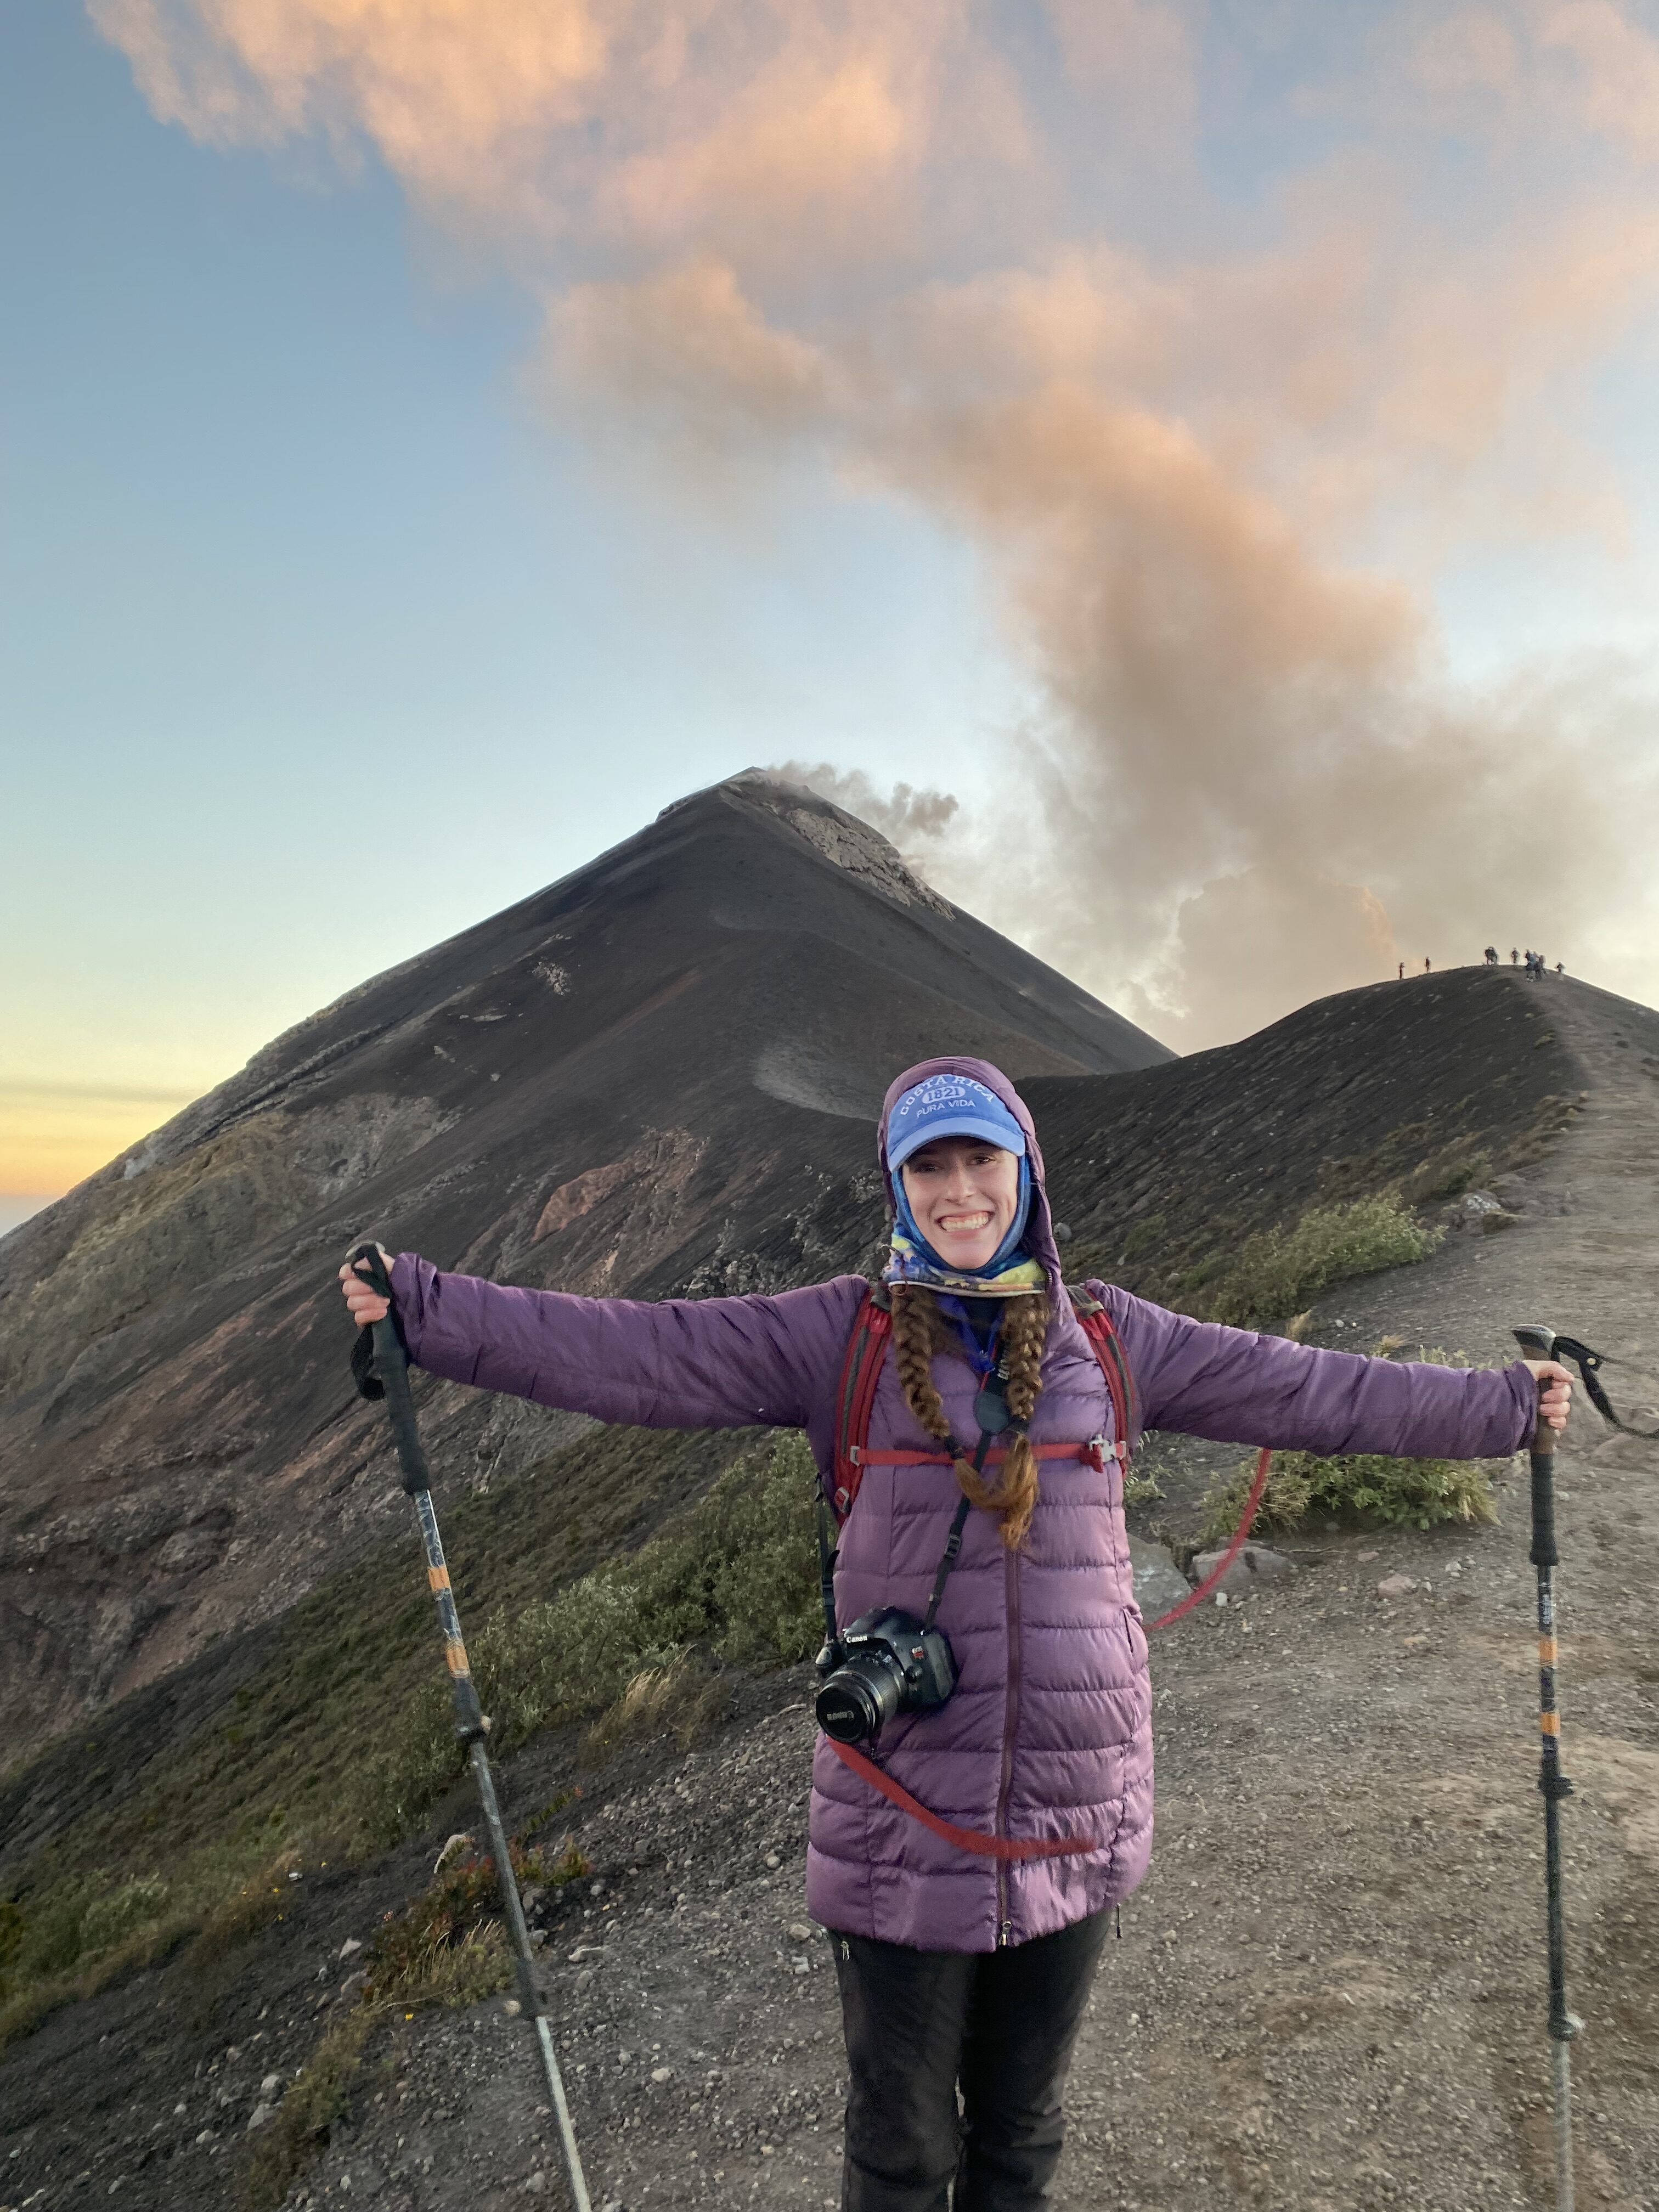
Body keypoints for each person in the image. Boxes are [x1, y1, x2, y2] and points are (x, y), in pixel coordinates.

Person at [340, 1058, 1572, 2212]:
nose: (959, 1191)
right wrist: (430, 1312)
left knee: (1021, 2135)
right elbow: (636, 1355)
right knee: (901, 2143)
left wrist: (1504, 1408)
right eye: (929, 1169)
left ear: (1026, 1173)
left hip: (1074, 1811)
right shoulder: (842, 1337)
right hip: (901, 1817)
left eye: (981, 1161)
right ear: (898, 1187)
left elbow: (1318, 1389)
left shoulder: (1114, 1339)